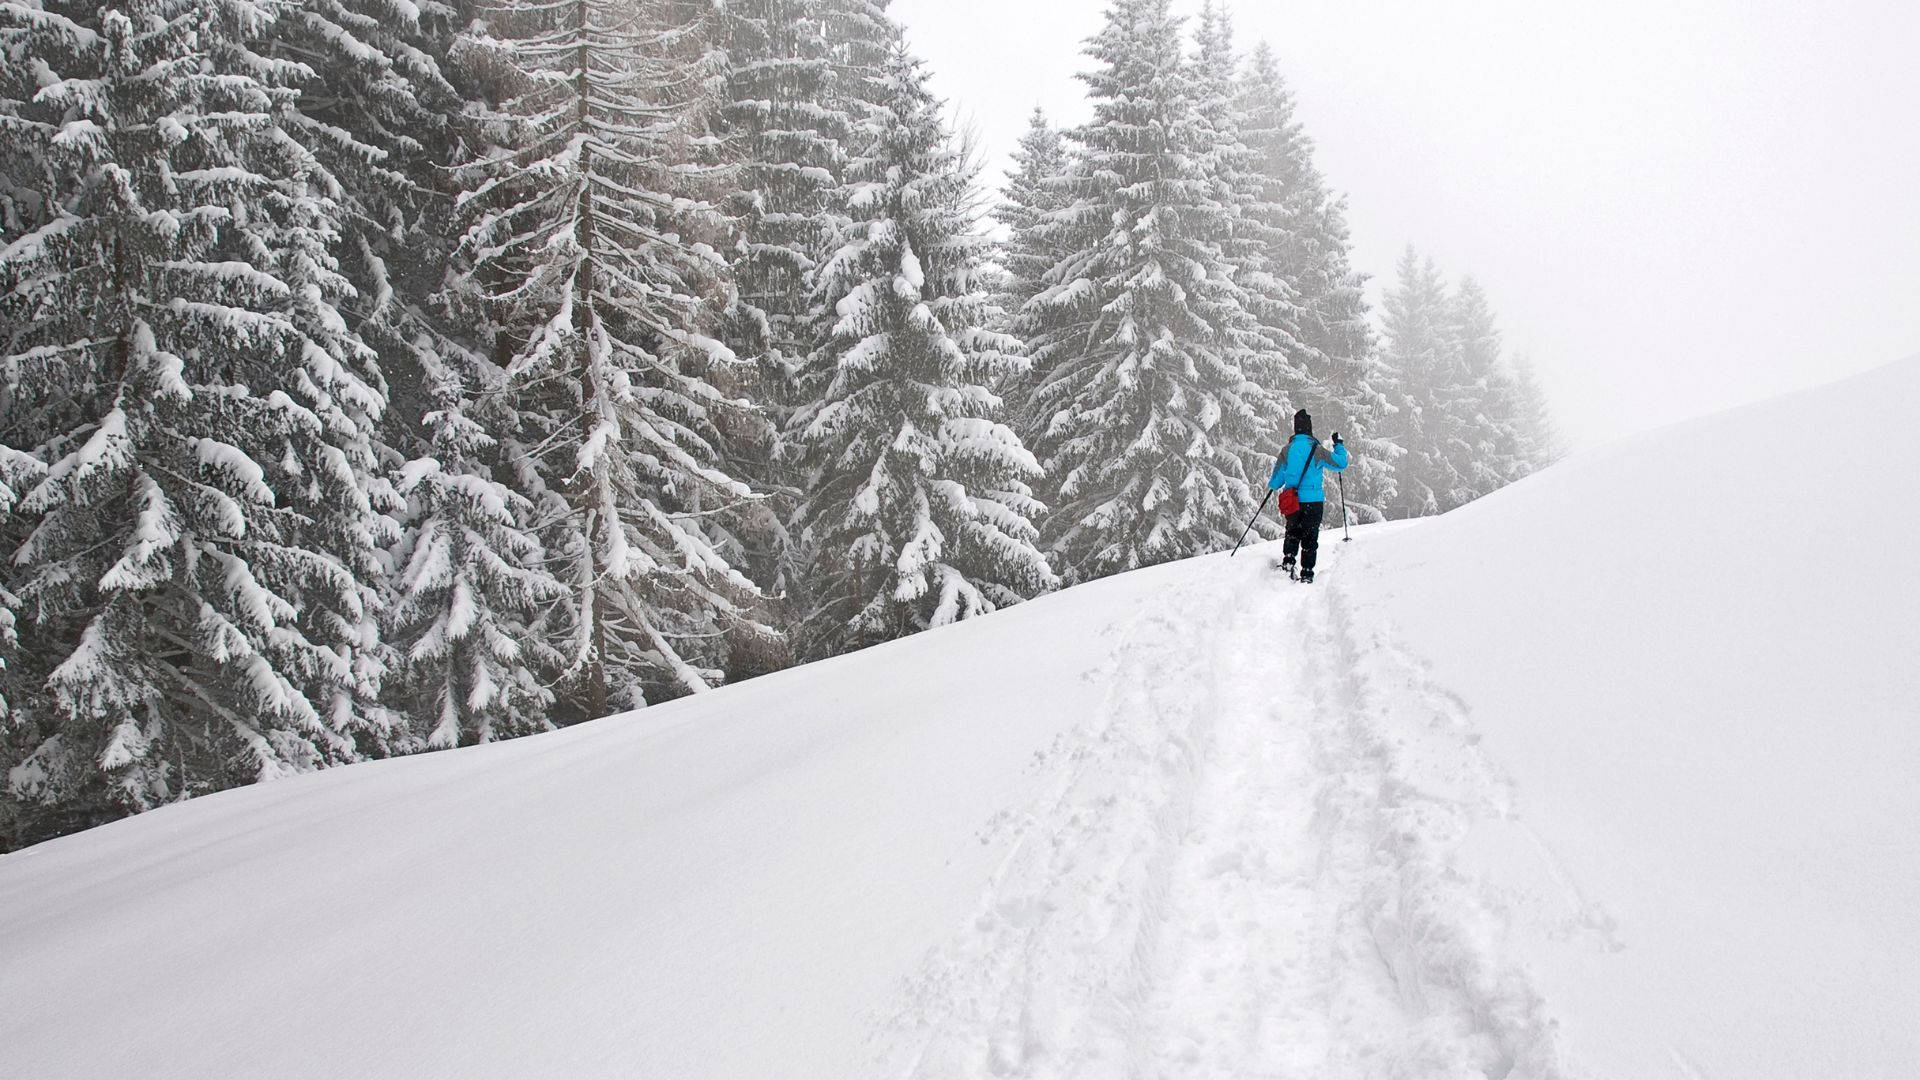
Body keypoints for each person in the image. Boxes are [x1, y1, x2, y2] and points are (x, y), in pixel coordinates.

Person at [1267, 409, 1348, 582]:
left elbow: (1275, 482)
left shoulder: (1286, 450)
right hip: (1314, 501)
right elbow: (1341, 464)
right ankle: (1307, 574)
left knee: (1293, 533)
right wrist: (1338, 445)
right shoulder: (1316, 450)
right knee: (1310, 537)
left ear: (1295, 429)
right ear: (1309, 429)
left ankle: (1288, 563)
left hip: (1293, 502)